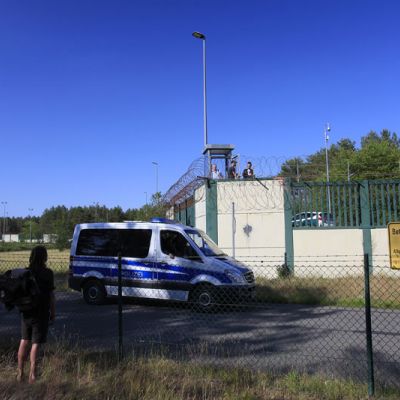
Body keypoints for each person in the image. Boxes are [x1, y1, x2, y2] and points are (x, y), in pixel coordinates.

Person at [17, 245, 55, 384]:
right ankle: (32, 375)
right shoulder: (48, 273)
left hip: (26, 312)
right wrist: (53, 312)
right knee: (36, 343)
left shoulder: (26, 272)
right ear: (44, 257)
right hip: (41, 312)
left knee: (24, 340)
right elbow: (51, 295)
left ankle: (20, 372)